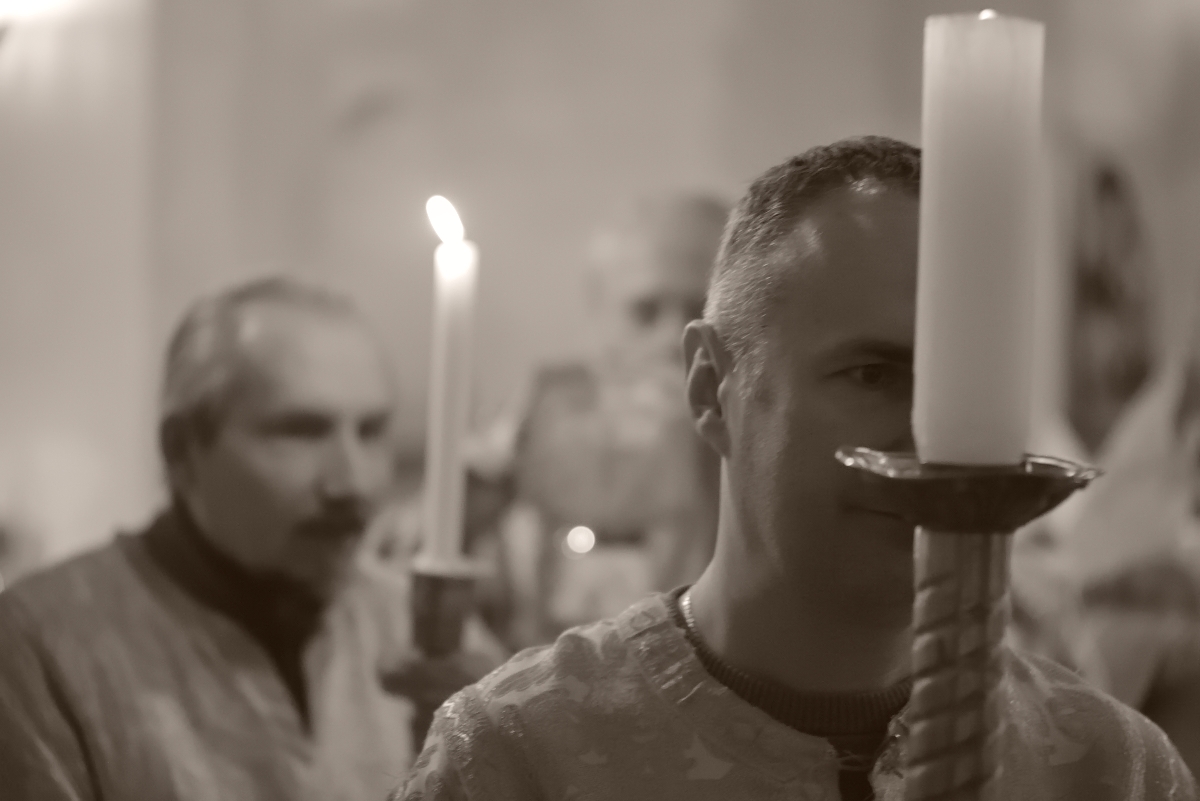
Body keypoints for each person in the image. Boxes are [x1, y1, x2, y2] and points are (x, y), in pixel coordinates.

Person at [395, 137, 1196, 801]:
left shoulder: (1108, 769)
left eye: (964, 383)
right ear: (712, 387)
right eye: (874, 374)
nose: (935, 442)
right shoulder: (522, 756)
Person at [0, 277, 505, 801]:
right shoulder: (40, 647)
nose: (351, 482)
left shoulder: (420, 629)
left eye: (371, 431)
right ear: (181, 449)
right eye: (301, 432)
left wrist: (497, 755)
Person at [453, 193, 727, 650]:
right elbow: (457, 509)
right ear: (600, 309)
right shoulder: (542, 405)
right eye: (645, 311)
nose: (672, 337)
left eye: (700, 310)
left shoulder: (755, 422)